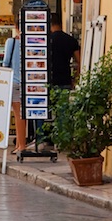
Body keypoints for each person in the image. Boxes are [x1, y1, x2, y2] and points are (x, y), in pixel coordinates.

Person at [39, 12, 82, 149]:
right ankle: (62, 141)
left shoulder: (46, 40)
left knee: (44, 110)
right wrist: (75, 78)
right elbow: (79, 61)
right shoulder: (70, 40)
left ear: (48, 24)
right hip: (64, 80)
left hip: (47, 81)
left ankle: (45, 138)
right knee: (62, 112)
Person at [3, 19, 27, 154]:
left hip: (15, 81)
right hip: (28, 83)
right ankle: (19, 143)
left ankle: (22, 145)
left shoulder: (11, 42)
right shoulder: (31, 43)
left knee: (18, 114)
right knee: (23, 115)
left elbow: (6, 62)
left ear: (16, 27)